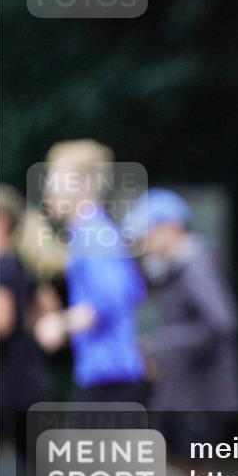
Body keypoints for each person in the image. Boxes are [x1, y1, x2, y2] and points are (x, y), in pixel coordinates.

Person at [124, 188, 238, 476]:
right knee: (192, 472)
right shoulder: (180, 267)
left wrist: (157, 346)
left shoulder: (195, 263)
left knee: (190, 471)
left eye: (147, 234)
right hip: (189, 394)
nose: (144, 244)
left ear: (169, 228)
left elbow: (222, 322)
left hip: (203, 396)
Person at [34, 139, 148, 404]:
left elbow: (112, 298)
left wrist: (59, 323)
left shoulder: (93, 235)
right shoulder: (93, 232)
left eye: (56, 179)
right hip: (111, 378)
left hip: (109, 381)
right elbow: (135, 289)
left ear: (85, 186)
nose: (48, 190)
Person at [0, 184, 51, 447]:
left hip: (7, 383)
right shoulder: (22, 264)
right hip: (29, 377)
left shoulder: (1, 267)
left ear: (1, 220)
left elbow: (1, 323)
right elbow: (49, 308)